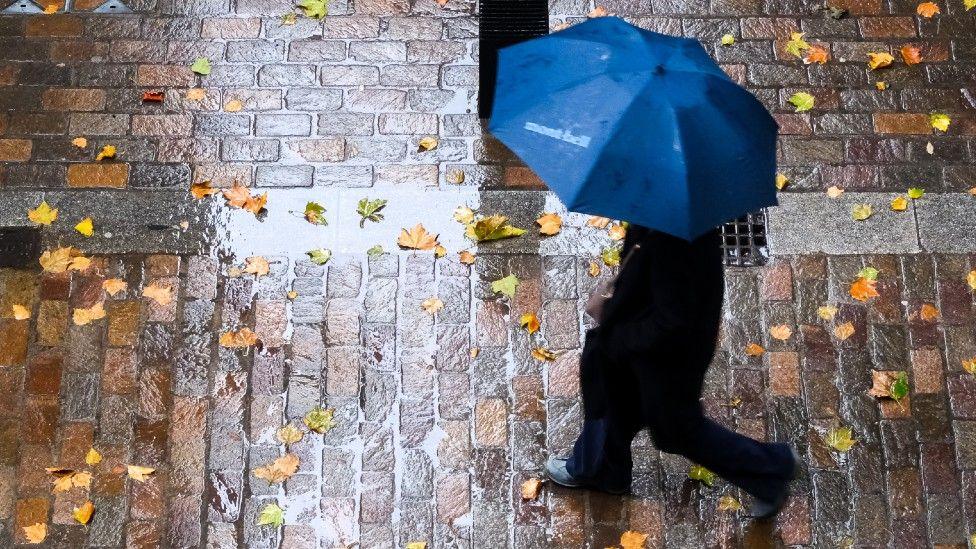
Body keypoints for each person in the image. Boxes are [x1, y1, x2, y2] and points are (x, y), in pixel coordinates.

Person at [546, 223, 798, 518]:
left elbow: (672, 320)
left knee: (676, 430)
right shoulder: (659, 218)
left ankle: (772, 466)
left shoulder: (673, 236)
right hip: (652, 344)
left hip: (668, 358)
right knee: (619, 398)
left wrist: (617, 334)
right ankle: (604, 469)